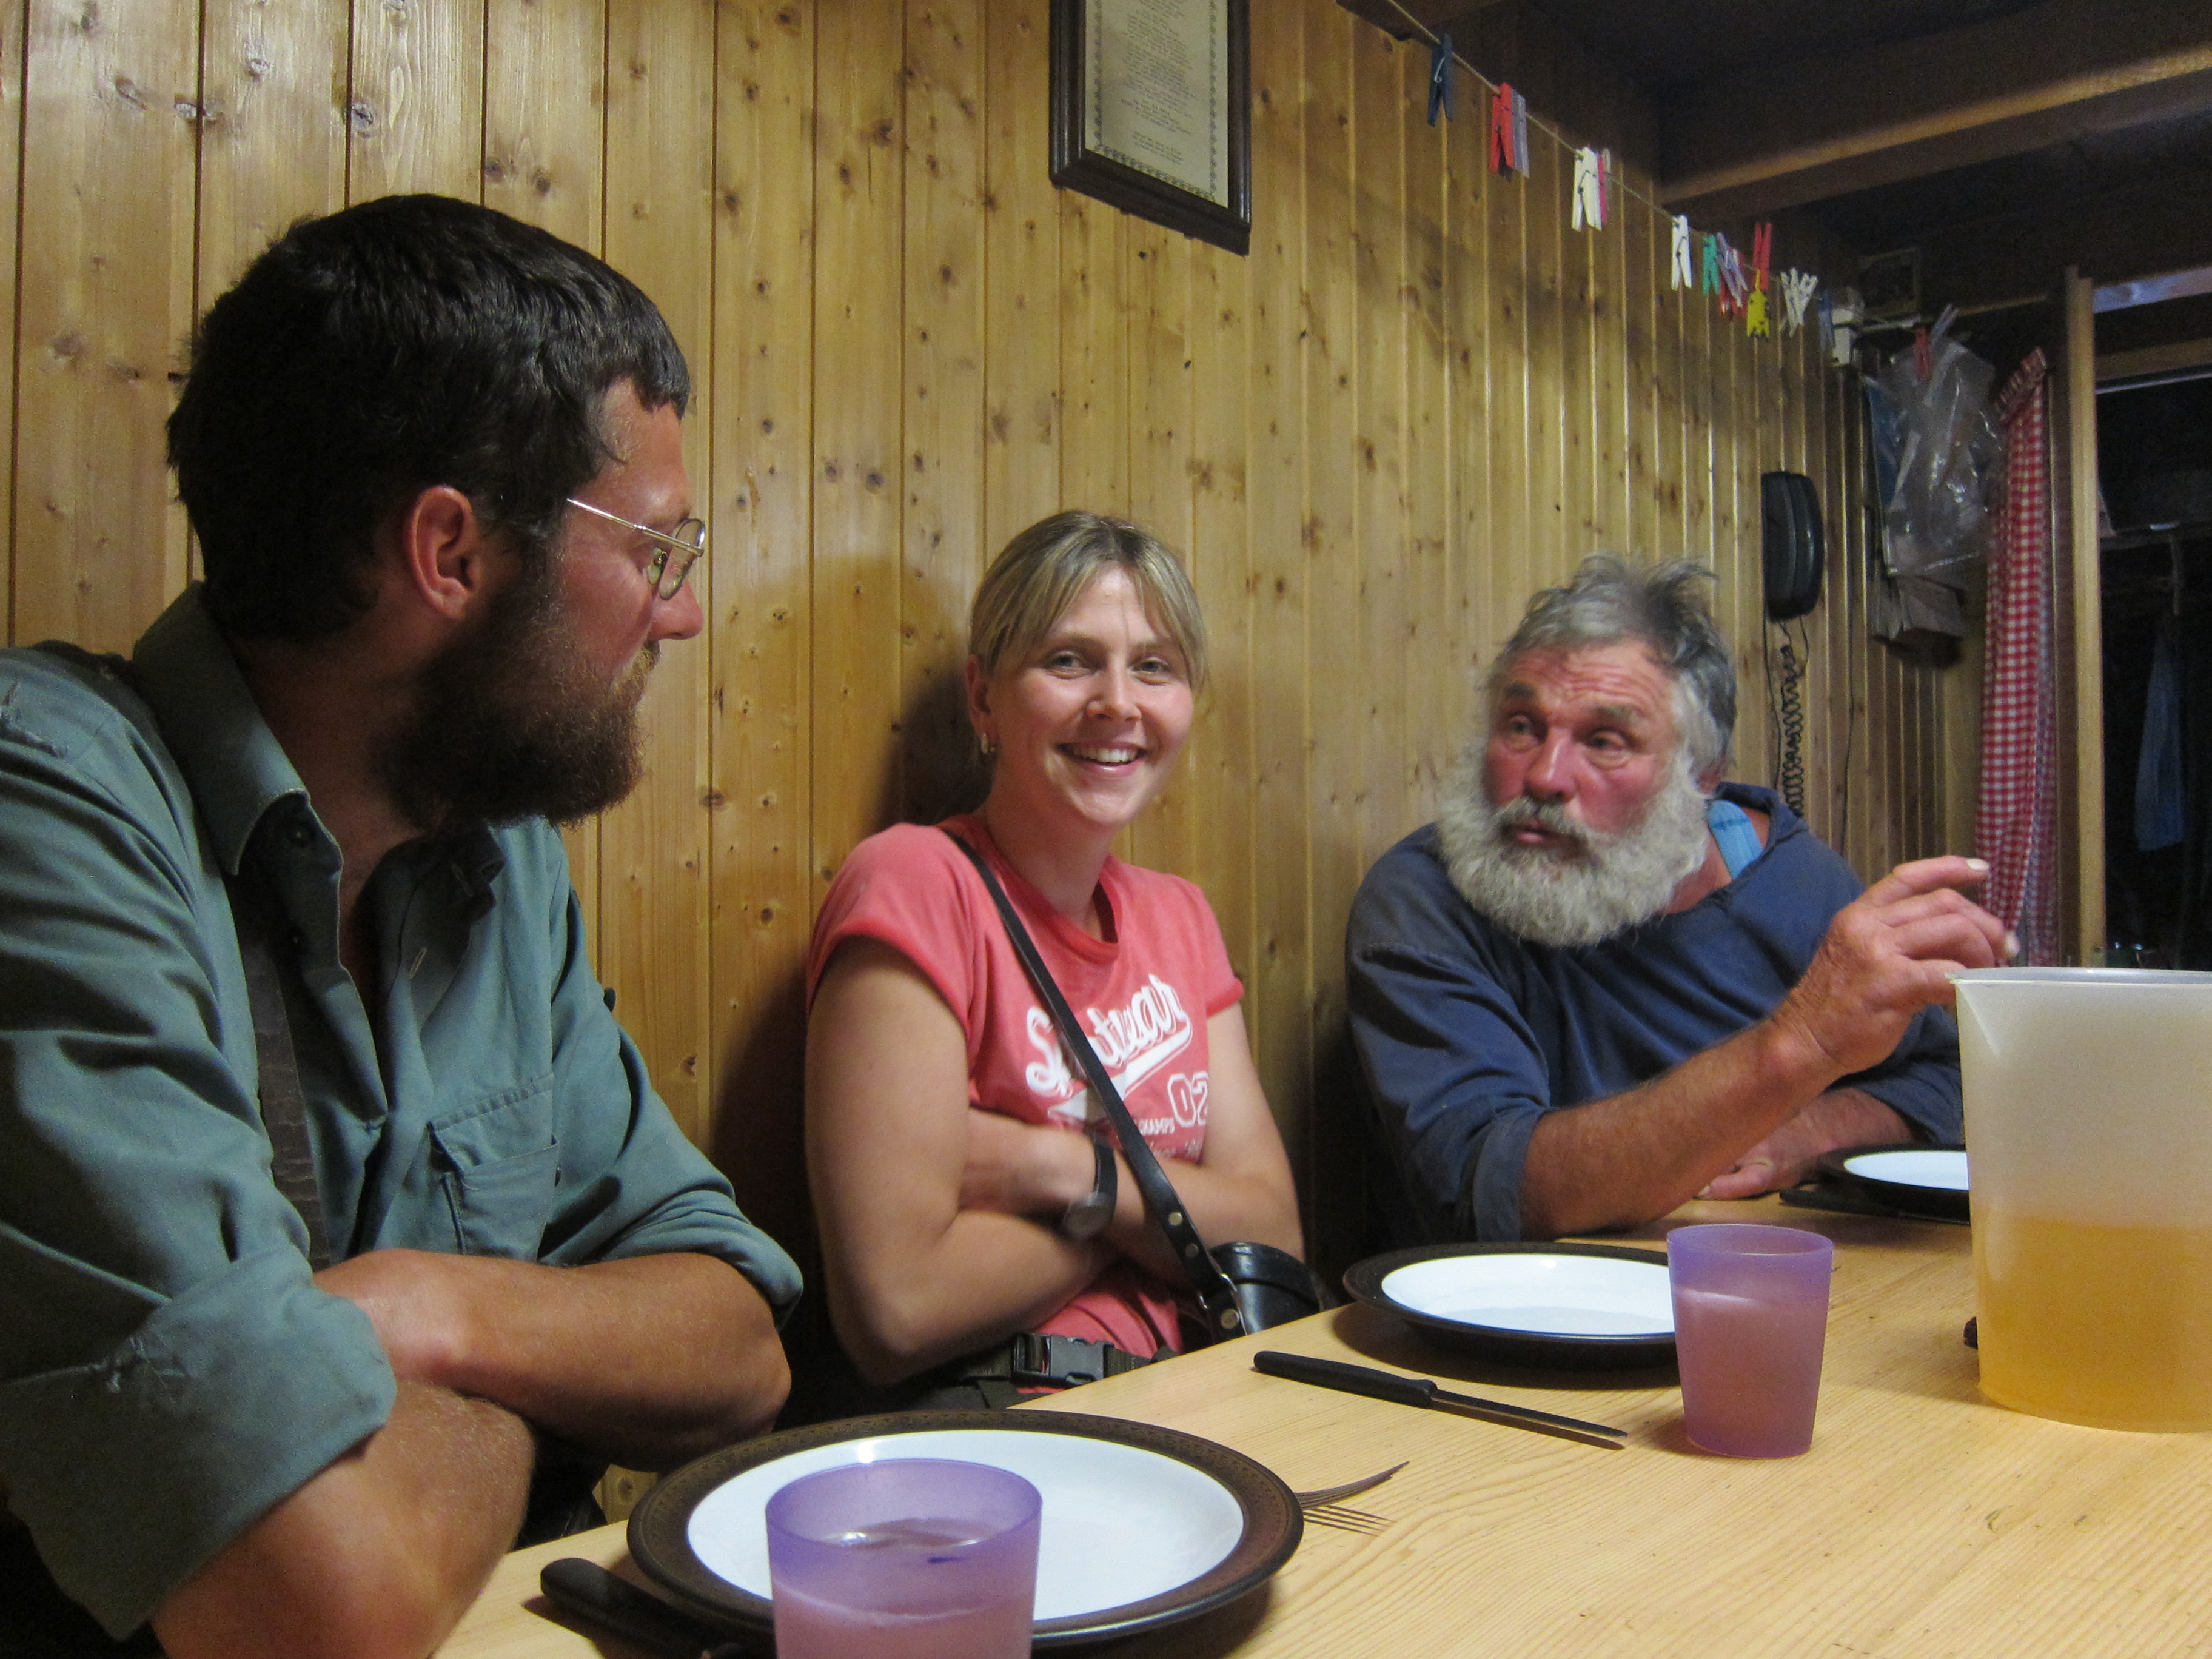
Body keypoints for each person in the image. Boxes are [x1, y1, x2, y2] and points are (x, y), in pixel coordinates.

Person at [0, 196, 801, 1659]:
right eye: (655, 549)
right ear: (449, 552)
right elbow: (314, 1598)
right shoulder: (46, 810)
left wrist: (423, 1311)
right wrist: (532, 1390)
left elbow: (734, 1337)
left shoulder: (493, 849)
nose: (678, 616)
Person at [1348, 553, 2011, 1244]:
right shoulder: (1421, 901)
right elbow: (1489, 1189)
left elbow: (1940, 1076)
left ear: (1702, 779)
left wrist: (1810, 1130)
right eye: (1521, 726)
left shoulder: (1789, 880)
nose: (1545, 775)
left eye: (1605, 741)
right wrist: (1799, 1046)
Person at [804, 512, 1302, 1404]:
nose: (1118, 703)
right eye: (1070, 661)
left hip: (1205, 1395)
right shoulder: (917, 884)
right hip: (1019, 1413)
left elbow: (1274, 1235)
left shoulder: (1180, 917)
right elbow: (898, 1309)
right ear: (983, 698)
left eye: (1154, 667)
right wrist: (1164, 1221)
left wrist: (1068, 1175)